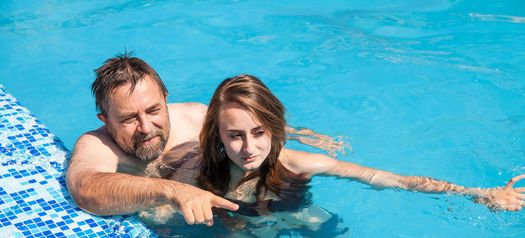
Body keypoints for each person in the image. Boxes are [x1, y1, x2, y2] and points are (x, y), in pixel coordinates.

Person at [143, 74, 525, 238]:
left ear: (276, 130)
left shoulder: (299, 163)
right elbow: (154, 198)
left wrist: (477, 193)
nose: (248, 147)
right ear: (218, 136)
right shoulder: (196, 168)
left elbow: (385, 177)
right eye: (235, 136)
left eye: (259, 133)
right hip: (239, 227)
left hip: (299, 215)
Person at [66, 54, 343, 225]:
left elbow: (248, 123)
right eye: (129, 119)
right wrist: (173, 191)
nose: (146, 127)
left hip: (237, 208)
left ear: (165, 99)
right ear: (105, 120)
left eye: (153, 110)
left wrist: (301, 134)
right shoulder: (96, 144)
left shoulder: (194, 116)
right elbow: (86, 189)